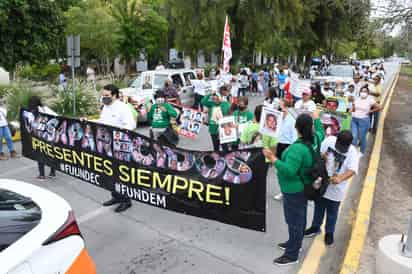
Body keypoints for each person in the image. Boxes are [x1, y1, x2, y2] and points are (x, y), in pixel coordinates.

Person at [263, 110, 325, 266]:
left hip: (294, 189)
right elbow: (321, 131)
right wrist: (316, 118)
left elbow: (289, 171)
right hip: (303, 187)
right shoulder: (316, 138)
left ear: (297, 129)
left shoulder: (298, 149)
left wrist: (273, 158)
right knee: (299, 219)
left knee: (294, 221)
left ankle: (292, 254)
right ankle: (293, 243)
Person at [304, 130, 359, 245]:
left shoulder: (353, 152)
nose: (340, 149)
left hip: (337, 189)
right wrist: (322, 156)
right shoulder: (329, 141)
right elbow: (318, 154)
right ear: (336, 140)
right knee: (319, 206)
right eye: (339, 146)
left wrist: (340, 178)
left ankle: (329, 233)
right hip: (323, 182)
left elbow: (352, 170)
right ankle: (315, 227)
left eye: (344, 148)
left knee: (332, 212)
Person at [98, 84, 136, 213]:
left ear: (114, 95)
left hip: (120, 148)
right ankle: (116, 196)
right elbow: (102, 122)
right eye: (103, 95)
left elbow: (130, 125)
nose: (104, 98)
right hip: (107, 146)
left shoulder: (122, 108)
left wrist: (117, 133)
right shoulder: (105, 107)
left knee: (120, 174)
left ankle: (126, 200)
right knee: (109, 173)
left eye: (107, 96)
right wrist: (88, 121)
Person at [273, 100, 298, 201]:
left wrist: (290, 149)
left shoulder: (292, 119)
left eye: (281, 107)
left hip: (287, 146)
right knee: (278, 171)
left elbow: (294, 137)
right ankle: (282, 190)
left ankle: (286, 192)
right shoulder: (278, 118)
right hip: (279, 144)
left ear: (286, 108)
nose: (279, 108)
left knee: (285, 171)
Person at [27, 96, 57, 179]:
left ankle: (42, 174)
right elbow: (56, 117)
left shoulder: (30, 112)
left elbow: (30, 125)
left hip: (39, 137)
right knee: (51, 154)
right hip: (49, 136)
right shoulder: (45, 109)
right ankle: (52, 173)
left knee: (40, 155)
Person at [351, 86, 380, 155]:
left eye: (365, 91)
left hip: (364, 121)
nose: (363, 93)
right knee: (354, 137)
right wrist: (352, 110)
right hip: (354, 120)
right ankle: (352, 153)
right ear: (360, 92)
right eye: (362, 91)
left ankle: (362, 152)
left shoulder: (370, 100)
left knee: (362, 137)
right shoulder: (357, 98)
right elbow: (354, 108)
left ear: (368, 92)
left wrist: (370, 111)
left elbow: (379, 107)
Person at [201, 86, 231, 151]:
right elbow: (203, 101)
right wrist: (210, 94)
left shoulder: (225, 104)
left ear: (220, 98)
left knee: (225, 147)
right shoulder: (211, 104)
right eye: (214, 98)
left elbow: (229, 115)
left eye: (217, 97)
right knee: (216, 147)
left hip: (223, 129)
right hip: (213, 129)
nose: (215, 99)